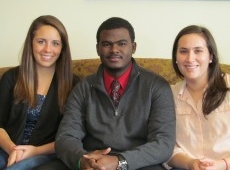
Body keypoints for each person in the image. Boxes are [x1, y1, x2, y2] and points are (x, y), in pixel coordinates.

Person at [53, 17, 176, 170]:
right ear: (98, 48)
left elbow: (163, 143)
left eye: (122, 44)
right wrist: (82, 160)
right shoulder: (83, 87)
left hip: (138, 163)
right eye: (106, 44)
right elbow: (66, 137)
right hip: (92, 161)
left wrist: (120, 161)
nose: (114, 50)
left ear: (134, 47)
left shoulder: (157, 87)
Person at [0, 15, 79, 170]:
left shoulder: (74, 84)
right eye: (41, 41)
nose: (47, 49)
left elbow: (73, 136)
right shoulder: (11, 78)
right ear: (31, 43)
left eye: (55, 43)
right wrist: (13, 149)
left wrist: (33, 151)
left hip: (47, 154)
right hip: (7, 148)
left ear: (62, 48)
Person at [167, 25, 230, 170]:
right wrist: (190, 164)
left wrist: (222, 165)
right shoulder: (167, 94)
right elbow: (165, 146)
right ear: (176, 58)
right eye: (183, 51)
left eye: (198, 51)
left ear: (211, 56)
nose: (190, 58)